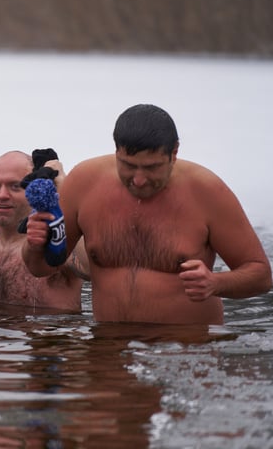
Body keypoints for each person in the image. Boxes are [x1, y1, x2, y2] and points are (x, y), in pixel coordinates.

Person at [21, 104, 272, 324]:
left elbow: (260, 275)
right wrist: (34, 245)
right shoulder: (84, 183)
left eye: (152, 168)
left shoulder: (206, 191)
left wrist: (216, 283)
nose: (139, 180)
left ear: (174, 152)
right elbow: (41, 268)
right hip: (107, 351)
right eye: (128, 166)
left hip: (186, 351)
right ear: (117, 150)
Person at [0, 150, 89, 312]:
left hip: (48, 335)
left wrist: (63, 187)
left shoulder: (58, 243)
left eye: (15, 186)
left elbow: (91, 268)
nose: (2, 195)